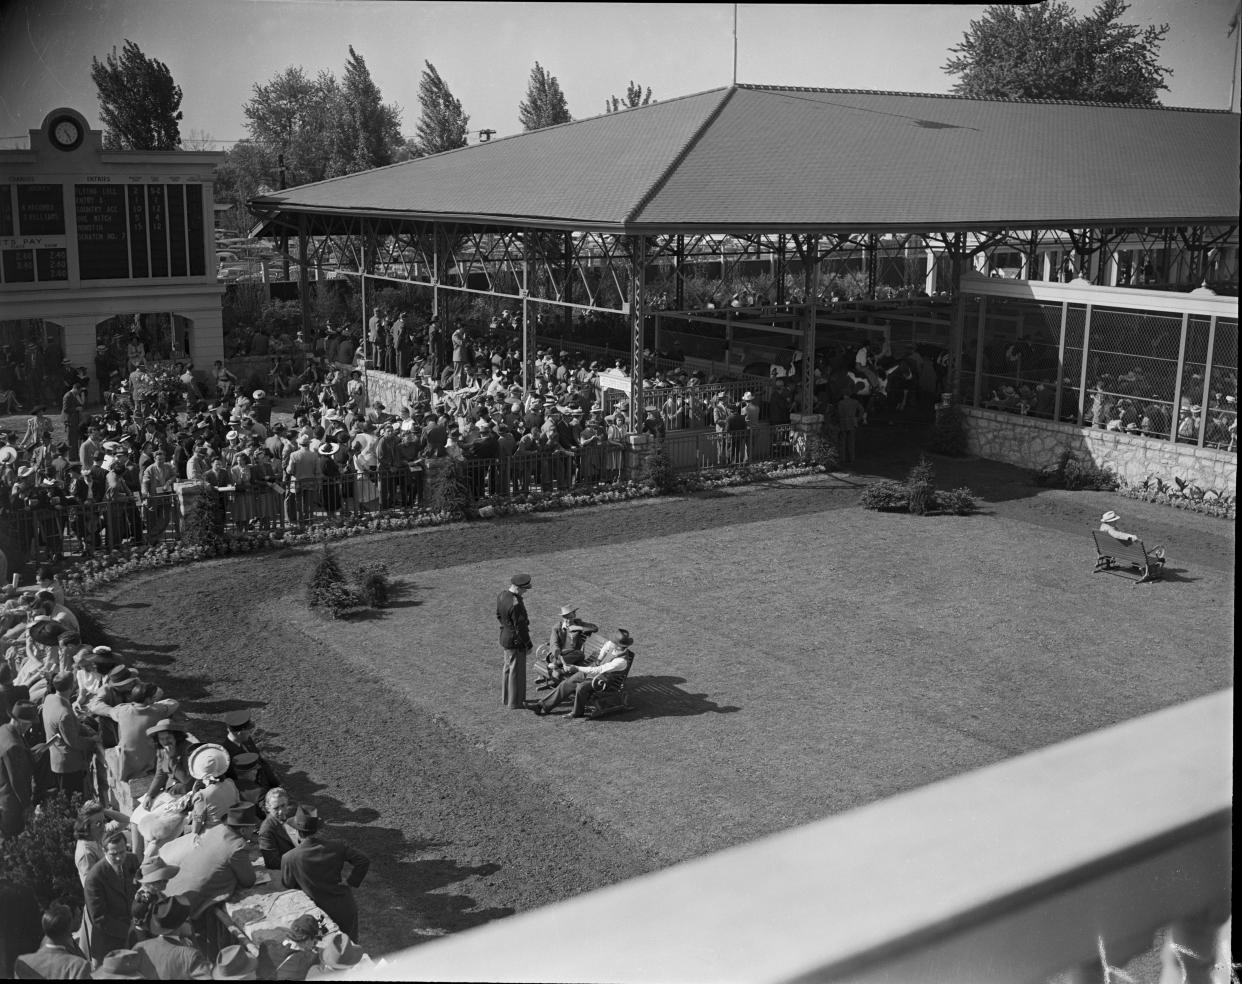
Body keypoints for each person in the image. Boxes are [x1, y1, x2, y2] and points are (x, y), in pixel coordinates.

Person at [280, 806, 370, 943]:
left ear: (297, 831)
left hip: (317, 914)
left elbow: (288, 884)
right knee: (348, 949)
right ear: (317, 829)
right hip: (344, 907)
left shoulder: (289, 858)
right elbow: (363, 860)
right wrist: (351, 881)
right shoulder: (336, 846)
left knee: (324, 951)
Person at [163, 803, 258, 921]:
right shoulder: (237, 846)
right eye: (252, 827)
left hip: (171, 888)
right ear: (243, 830)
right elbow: (248, 881)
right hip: (190, 902)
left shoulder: (217, 829)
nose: (254, 830)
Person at [532, 629, 635, 718]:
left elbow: (598, 671)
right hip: (594, 672)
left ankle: (577, 713)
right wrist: (599, 658)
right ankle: (541, 706)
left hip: (603, 681)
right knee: (566, 683)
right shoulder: (613, 646)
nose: (611, 641)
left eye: (613, 641)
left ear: (618, 645)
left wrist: (576, 668)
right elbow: (606, 646)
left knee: (581, 687)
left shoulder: (621, 661)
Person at [83, 829, 141, 963]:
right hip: (110, 942)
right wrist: (129, 930)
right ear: (104, 851)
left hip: (135, 935)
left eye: (122, 852)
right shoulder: (94, 878)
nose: (120, 857)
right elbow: (99, 918)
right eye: (114, 854)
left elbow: (139, 889)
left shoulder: (131, 859)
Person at [41, 670, 98, 795]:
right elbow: (74, 742)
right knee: (72, 800)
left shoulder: (50, 698)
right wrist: (93, 741)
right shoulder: (64, 714)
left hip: (57, 759)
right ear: (72, 687)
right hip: (68, 765)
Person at [133, 895, 212, 980]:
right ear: (180, 924)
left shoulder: (139, 948)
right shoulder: (190, 956)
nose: (191, 924)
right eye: (188, 920)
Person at [12, 902, 92, 979]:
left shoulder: (22, 962)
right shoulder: (78, 966)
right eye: (78, 915)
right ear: (69, 927)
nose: (80, 919)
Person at [0, 700, 41, 839]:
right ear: (20, 722)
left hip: (4, 798)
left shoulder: (4, 729)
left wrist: (30, 755)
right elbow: (17, 781)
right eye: (28, 724)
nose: (29, 728)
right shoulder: (13, 746)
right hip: (12, 804)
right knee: (13, 841)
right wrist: (28, 806)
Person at [496, 572, 533, 710]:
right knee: (516, 671)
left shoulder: (502, 595)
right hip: (515, 641)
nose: (525, 592)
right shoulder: (516, 603)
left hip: (505, 636)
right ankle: (515, 702)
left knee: (507, 669)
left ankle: (506, 698)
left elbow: (499, 615)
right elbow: (521, 628)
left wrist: (507, 626)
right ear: (518, 588)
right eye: (524, 589)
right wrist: (528, 644)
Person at [1098, 510, 1164, 561]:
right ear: (1110, 521)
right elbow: (1117, 535)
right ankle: (1140, 562)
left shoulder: (1103, 527)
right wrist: (1132, 537)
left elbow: (1117, 534)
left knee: (1134, 547)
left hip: (1106, 549)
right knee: (1136, 548)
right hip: (1119, 551)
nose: (1116, 521)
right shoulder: (1110, 530)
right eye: (1114, 520)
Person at [257, 787, 296, 869]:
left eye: (283, 805)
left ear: (287, 803)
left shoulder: (293, 815)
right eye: (276, 808)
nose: (281, 811)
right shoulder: (266, 831)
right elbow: (272, 862)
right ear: (268, 808)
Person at [836, 388, 863, 466]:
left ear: (844, 395)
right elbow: (861, 409)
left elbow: (839, 413)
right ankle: (852, 458)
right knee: (851, 441)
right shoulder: (855, 402)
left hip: (843, 422)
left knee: (843, 441)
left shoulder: (840, 403)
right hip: (852, 422)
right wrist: (858, 418)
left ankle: (843, 458)